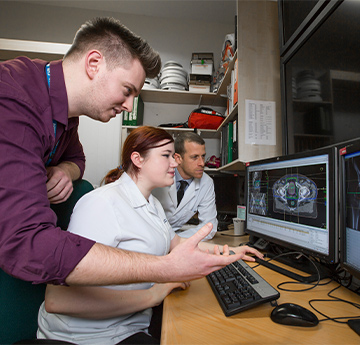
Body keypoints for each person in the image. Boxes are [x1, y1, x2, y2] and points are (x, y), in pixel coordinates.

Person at [0, 17, 244, 287]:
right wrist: (164, 269)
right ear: (94, 64)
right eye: (127, 91)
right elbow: (28, 243)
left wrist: (64, 170)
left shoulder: (67, 117)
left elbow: (77, 160)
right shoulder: (13, 101)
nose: (129, 107)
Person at [37, 126, 263, 344]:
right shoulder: (102, 203)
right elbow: (58, 299)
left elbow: (177, 243)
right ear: (138, 159)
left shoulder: (152, 203)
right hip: (89, 335)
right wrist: (154, 294)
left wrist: (231, 253)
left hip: (132, 322)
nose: (175, 162)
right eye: (166, 155)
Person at [152, 132, 217, 239]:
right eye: (195, 157)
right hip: (149, 237)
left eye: (203, 156)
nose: (202, 163)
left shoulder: (206, 182)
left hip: (177, 238)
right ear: (178, 158)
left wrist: (175, 240)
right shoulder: (158, 175)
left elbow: (209, 227)